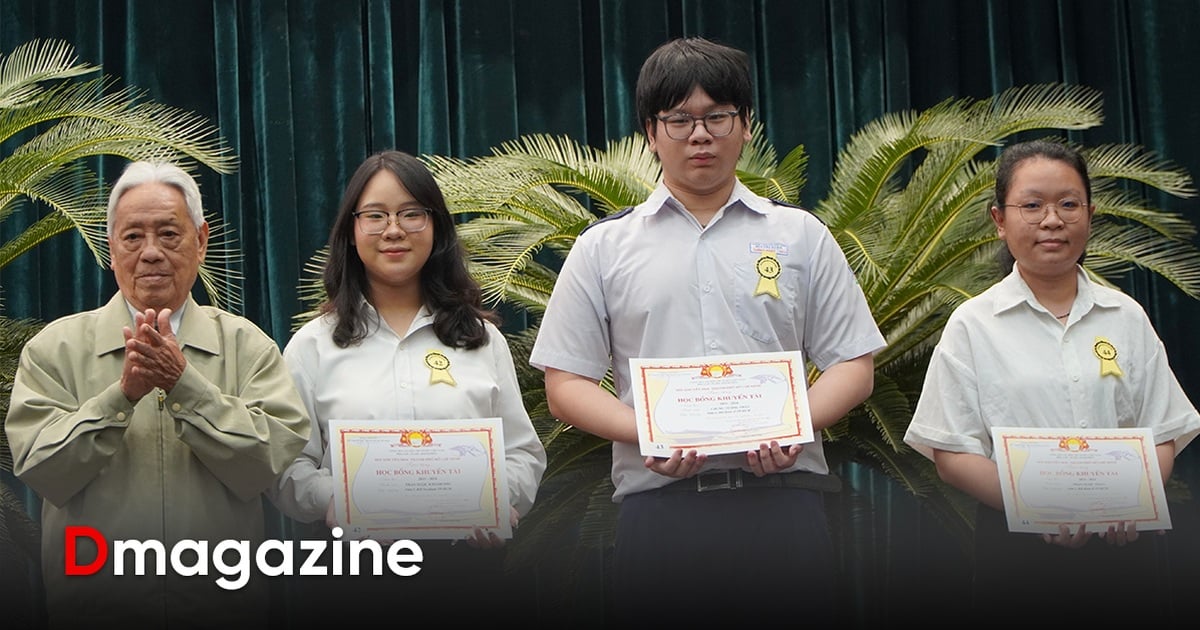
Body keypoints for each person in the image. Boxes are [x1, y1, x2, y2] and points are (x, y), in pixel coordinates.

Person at [529, 37, 885, 623]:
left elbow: (853, 364)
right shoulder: (603, 247)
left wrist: (796, 427)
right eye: (679, 119)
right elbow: (565, 384)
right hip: (660, 516)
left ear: (746, 126)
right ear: (651, 131)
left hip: (785, 508)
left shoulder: (800, 236)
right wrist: (651, 433)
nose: (700, 135)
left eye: (718, 116)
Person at [903, 139, 1200, 623]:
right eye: (1032, 205)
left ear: (1089, 213)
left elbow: (1164, 429)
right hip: (1017, 554)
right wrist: (1036, 506)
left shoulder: (1125, 317)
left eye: (1068, 204)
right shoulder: (973, 324)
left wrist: (1134, 498)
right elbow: (952, 453)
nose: (1052, 220)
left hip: (1124, 551)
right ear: (999, 220)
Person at [4, 161, 311, 628]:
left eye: (169, 234)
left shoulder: (247, 347)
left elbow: (266, 464)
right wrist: (121, 397)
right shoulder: (55, 350)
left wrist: (184, 385)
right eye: (133, 237)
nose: (151, 253)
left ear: (201, 241)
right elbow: (43, 470)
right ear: (111, 248)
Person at [268, 150, 547, 622]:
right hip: (352, 577)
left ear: (435, 226)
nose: (393, 230)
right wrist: (336, 500)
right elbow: (287, 466)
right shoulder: (313, 346)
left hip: (470, 575)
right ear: (351, 232)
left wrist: (499, 501)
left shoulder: (481, 340)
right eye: (375, 215)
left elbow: (523, 454)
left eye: (411, 213)